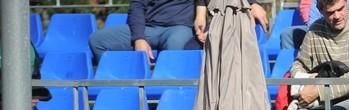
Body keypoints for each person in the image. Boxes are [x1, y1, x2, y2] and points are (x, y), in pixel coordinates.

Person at [88, 0, 269, 62]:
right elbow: (136, 6)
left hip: (179, 28)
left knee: (176, 47)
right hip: (149, 28)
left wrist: (250, 3)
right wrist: (139, 38)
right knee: (98, 41)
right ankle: (125, 90)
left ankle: (169, 100)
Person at [281, 0, 349, 55]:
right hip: (329, 41)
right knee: (289, 34)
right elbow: (313, 28)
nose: (336, 15)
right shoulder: (318, 2)